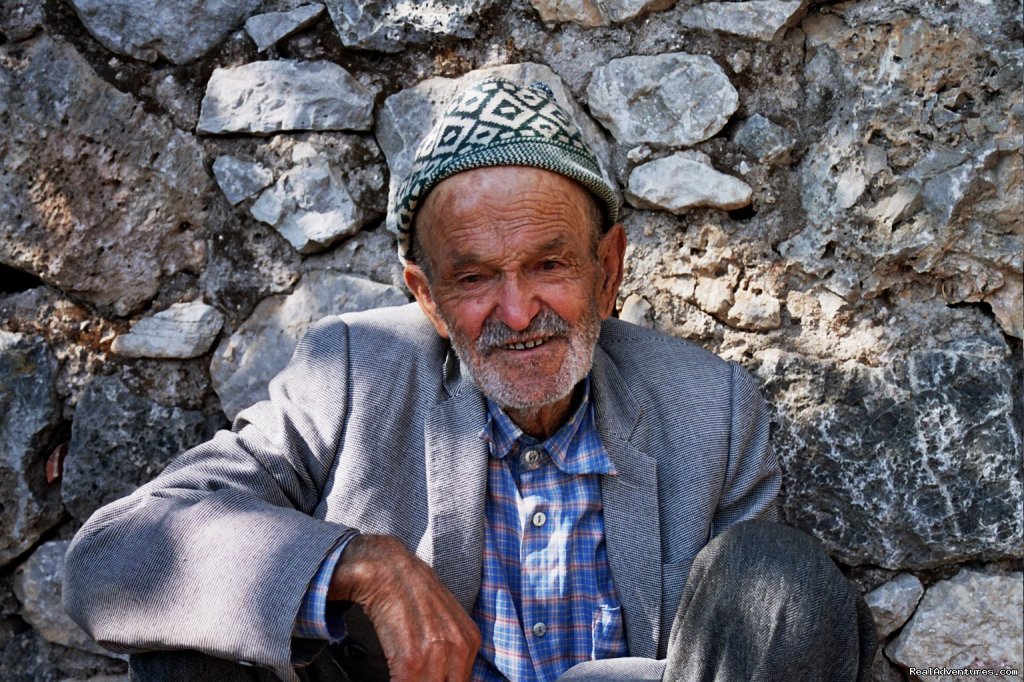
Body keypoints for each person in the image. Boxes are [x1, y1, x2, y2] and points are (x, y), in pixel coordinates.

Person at [64, 79, 875, 682]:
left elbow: (761, 647)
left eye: (550, 265)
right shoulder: (350, 375)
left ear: (609, 268)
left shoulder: (712, 408)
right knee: (192, 645)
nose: (517, 311)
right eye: (475, 277)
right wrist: (363, 565)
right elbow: (111, 557)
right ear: (426, 295)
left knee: (781, 581)